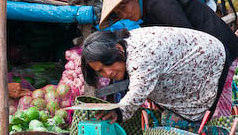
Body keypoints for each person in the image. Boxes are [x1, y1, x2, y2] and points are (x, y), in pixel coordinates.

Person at [99, 0, 238, 117]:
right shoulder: (149, 12)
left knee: (218, 107)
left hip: (220, 50)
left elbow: (187, 42)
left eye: (123, 9)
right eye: (119, 14)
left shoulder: (159, 4)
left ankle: (225, 134)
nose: (124, 15)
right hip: (212, 54)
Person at [81, 27, 226, 126]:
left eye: (107, 64)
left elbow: (140, 88)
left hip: (210, 64)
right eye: (100, 71)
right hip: (200, 61)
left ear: (118, 50)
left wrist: (119, 111)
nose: (108, 73)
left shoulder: (142, 56)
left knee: (197, 124)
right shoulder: (127, 48)